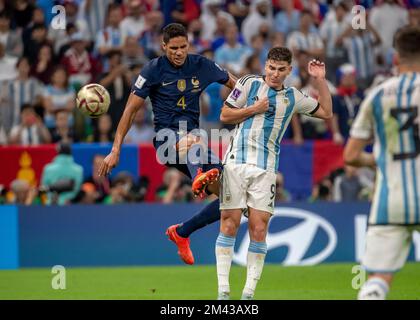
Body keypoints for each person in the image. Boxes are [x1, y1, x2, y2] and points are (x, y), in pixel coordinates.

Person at [99, 23, 236, 265]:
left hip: (194, 144)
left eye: (183, 47)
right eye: (173, 48)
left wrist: (248, 104)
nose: (179, 52)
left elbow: (234, 84)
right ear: (164, 46)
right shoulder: (153, 70)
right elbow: (130, 111)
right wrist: (115, 149)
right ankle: (200, 174)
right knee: (193, 139)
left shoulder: (201, 65)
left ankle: (181, 232)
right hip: (166, 140)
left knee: (233, 199)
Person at [215, 47, 332, 300]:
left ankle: (248, 294)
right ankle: (223, 292)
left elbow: (325, 112)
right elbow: (224, 114)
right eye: (271, 68)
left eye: (281, 70)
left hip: (265, 169)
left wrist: (320, 80)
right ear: (264, 66)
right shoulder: (247, 83)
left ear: (289, 70)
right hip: (235, 163)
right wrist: (253, 109)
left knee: (259, 229)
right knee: (228, 224)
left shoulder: (293, 96)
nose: (274, 74)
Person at [343, 25, 420, 300]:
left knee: (377, 281)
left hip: (391, 201)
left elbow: (350, 155)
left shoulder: (377, 96)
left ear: (395, 58)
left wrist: (377, 158)